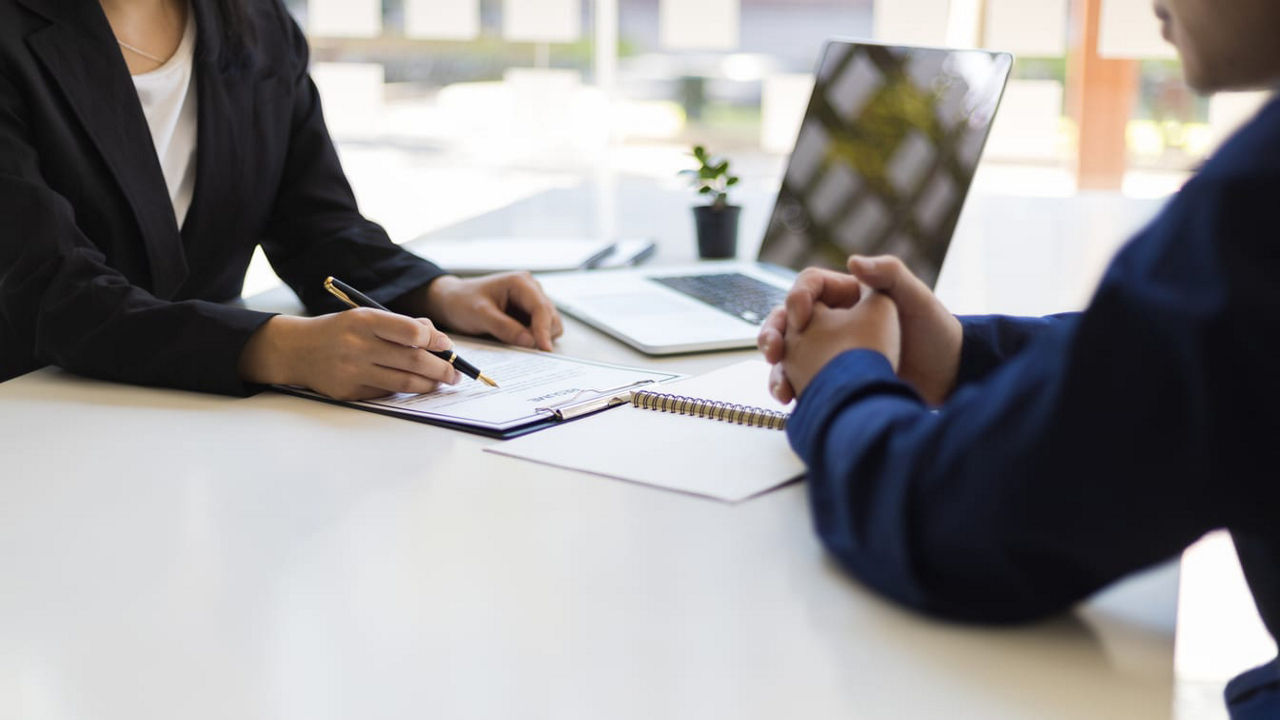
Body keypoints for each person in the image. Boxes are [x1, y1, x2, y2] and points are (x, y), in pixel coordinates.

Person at [757, 0, 1279, 717]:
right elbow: (1170, 354)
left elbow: (948, 522)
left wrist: (841, 381)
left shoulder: (1259, 202)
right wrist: (959, 354)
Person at [0, 0, 563, 401]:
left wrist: (442, 293)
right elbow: (49, 291)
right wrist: (278, 349)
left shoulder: (256, 23)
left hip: (189, 426)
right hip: (38, 419)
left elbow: (315, 224)